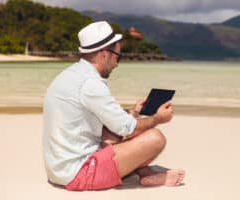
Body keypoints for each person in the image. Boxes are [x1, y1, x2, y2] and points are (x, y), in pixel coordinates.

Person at [43, 21, 185, 191]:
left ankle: (146, 173)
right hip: (80, 174)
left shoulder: (70, 75)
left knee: (114, 134)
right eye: (118, 56)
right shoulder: (91, 84)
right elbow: (128, 129)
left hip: (58, 170)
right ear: (104, 54)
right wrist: (158, 118)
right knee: (155, 137)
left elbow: (106, 120)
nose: (117, 63)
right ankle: (144, 173)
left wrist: (133, 113)